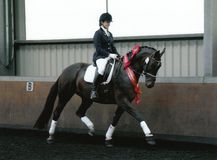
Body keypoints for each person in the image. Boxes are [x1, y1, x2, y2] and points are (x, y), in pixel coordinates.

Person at [90, 12, 120, 99]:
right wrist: (109, 54)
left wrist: (118, 55)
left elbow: (112, 47)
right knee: (102, 69)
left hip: (110, 56)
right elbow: (98, 48)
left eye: (109, 22)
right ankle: (93, 90)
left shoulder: (110, 34)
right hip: (100, 57)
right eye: (107, 22)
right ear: (102, 22)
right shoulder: (97, 33)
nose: (108, 24)